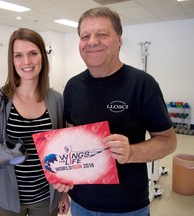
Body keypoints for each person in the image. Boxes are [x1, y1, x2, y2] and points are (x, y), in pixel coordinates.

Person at [54, 7, 177, 216]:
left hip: (126, 206)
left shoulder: (142, 84)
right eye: (85, 36)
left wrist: (131, 152)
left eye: (102, 34)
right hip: (81, 203)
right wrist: (63, 183)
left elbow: (168, 141)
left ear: (119, 40)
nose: (92, 41)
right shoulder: (73, 87)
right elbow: (68, 139)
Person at [0, 28, 70, 216]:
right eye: (18, 55)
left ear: (42, 57)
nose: (26, 62)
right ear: (12, 61)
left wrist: (63, 193)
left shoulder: (56, 100)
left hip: (46, 197)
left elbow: (61, 153)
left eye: (33, 53)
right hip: (7, 197)